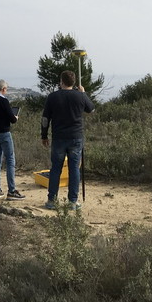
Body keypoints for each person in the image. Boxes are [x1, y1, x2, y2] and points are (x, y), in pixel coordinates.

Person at [41, 70, 95, 210]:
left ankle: (52, 201)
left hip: (59, 138)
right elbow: (91, 109)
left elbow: (45, 118)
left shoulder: (53, 97)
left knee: (55, 170)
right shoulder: (80, 96)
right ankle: (72, 201)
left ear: (61, 82)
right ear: (74, 82)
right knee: (74, 170)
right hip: (76, 138)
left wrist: (44, 135)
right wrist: (83, 93)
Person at [0, 79, 25, 200]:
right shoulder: (3, 101)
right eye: (6, 89)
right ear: (3, 89)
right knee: (10, 160)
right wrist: (16, 117)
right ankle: (11, 190)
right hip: (4, 133)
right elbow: (12, 119)